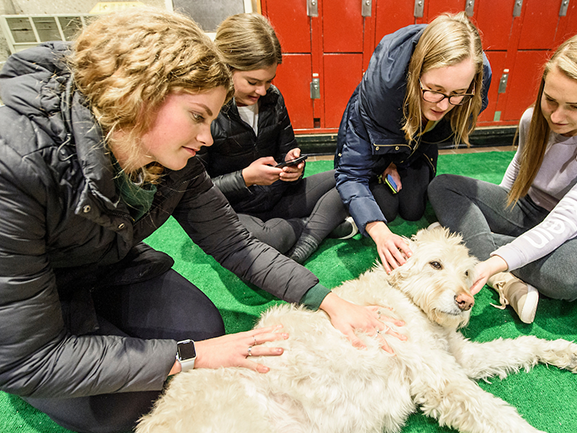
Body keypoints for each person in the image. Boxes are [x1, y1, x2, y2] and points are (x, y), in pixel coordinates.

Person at [0, 8, 403, 433]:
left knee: (202, 327)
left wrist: (328, 300)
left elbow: (233, 242)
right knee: (125, 404)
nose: (208, 138)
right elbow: (27, 360)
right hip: (36, 300)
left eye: (212, 120)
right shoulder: (15, 168)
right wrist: (189, 357)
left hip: (103, 263)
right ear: (137, 95)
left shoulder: (175, 160)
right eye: (197, 116)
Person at [428, 30, 577, 324]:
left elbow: (572, 216)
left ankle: (475, 249)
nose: (556, 116)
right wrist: (495, 215)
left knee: (566, 277)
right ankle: (504, 280)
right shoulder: (534, 118)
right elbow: (516, 175)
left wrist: (495, 255)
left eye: (575, 106)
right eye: (550, 99)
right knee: (444, 186)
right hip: (530, 211)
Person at [334, 12, 492, 274]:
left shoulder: (475, 84)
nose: (443, 105)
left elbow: (435, 130)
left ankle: (394, 168)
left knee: (413, 209)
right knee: (384, 210)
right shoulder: (380, 94)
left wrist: (401, 158)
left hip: (414, 147)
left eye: (456, 94)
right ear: (414, 73)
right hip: (378, 145)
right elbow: (350, 173)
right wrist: (379, 231)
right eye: (434, 89)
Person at [200, 13, 356, 264]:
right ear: (225, 67)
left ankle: (304, 227)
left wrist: (294, 165)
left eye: (268, 81)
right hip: (236, 211)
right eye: (252, 82)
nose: (262, 91)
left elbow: (288, 148)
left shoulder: (273, 97)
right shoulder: (205, 109)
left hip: (278, 196)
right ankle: (315, 226)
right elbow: (197, 191)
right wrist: (246, 178)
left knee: (348, 176)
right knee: (268, 239)